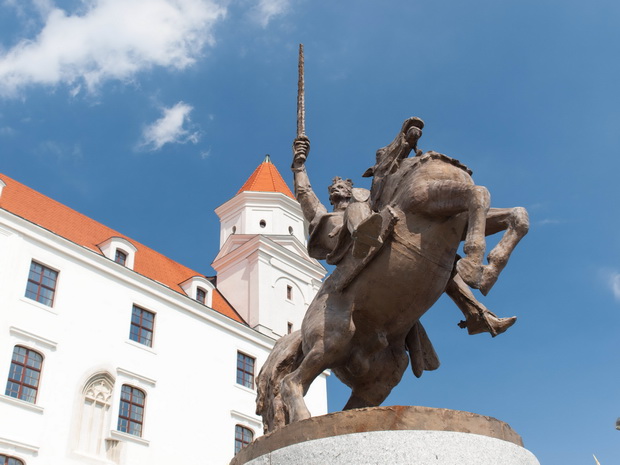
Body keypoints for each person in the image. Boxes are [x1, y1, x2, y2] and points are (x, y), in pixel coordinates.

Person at [291, 134, 515, 337]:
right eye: (333, 190)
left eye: (341, 186)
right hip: (344, 244)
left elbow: (388, 186)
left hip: (378, 231)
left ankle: (476, 314)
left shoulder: (367, 201)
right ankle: (362, 236)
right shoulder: (326, 215)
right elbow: (304, 194)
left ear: (350, 190)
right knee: (355, 209)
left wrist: (405, 149)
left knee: (448, 259)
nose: (337, 189)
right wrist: (299, 166)